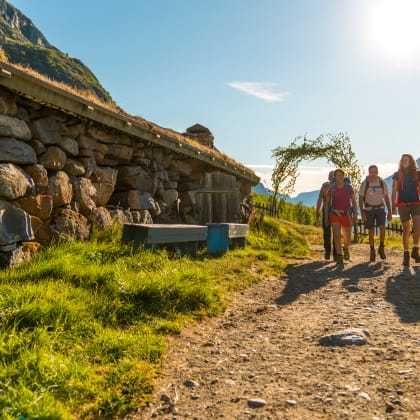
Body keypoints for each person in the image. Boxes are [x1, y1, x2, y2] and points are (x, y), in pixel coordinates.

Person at [324, 168, 358, 267]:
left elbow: (354, 202)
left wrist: (355, 214)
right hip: (334, 214)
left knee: (348, 238)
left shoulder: (349, 187)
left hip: (347, 214)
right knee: (337, 235)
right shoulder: (332, 188)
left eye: (341, 175)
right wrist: (326, 217)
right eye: (337, 175)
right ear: (334, 177)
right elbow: (326, 204)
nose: (339, 177)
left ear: (344, 176)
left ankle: (346, 248)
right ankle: (339, 255)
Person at [358, 165, 392, 262]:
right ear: (369, 172)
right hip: (369, 209)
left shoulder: (382, 183)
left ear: (377, 172)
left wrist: (389, 211)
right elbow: (360, 199)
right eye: (371, 172)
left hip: (380, 208)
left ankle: (381, 247)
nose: (373, 174)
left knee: (382, 228)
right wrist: (362, 212)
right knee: (371, 231)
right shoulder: (365, 184)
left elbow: (386, 198)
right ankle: (372, 250)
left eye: (375, 171)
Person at [391, 154, 420, 266]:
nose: (404, 161)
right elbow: (394, 191)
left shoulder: (417, 174)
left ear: (411, 161)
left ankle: (415, 249)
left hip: (416, 203)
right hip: (402, 204)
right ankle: (406, 253)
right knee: (406, 229)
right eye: (402, 160)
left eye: (406, 160)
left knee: (417, 226)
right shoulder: (397, 175)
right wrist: (393, 206)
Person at [316, 171, 337, 260]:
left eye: (333, 176)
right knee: (328, 232)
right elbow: (320, 198)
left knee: (333, 233)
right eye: (330, 176)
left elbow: (320, 199)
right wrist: (317, 210)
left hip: (335, 212)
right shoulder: (325, 186)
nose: (332, 177)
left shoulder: (338, 186)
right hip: (327, 211)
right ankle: (330, 252)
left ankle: (333, 253)